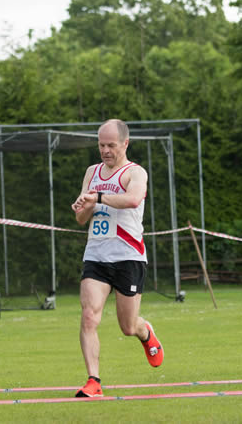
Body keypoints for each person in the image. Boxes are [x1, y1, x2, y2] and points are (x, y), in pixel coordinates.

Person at [71, 119, 163, 398]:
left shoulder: (135, 173)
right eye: (101, 145)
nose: (105, 150)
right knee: (88, 316)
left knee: (127, 326)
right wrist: (84, 206)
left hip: (128, 257)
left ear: (125, 143)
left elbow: (133, 199)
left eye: (111, 145)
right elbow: (81, 218)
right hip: (96, 255)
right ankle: (93, 381)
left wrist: (97, 197)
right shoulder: (92, 172)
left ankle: (145, 332)